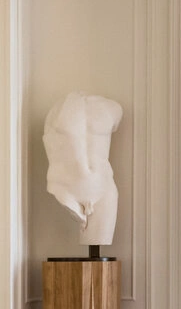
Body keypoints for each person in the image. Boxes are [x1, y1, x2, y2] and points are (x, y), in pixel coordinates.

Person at [43, 92, 124, 247]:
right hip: (68, 187)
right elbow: (50, 147)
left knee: (100, 244)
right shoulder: (59, 109)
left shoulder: (112, 108)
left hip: (103, 188)